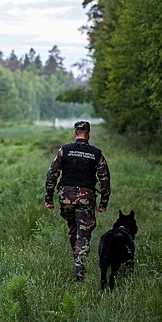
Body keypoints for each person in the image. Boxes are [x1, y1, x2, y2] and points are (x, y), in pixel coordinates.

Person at [44, 120, 111, 283]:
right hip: (86, 199)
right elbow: (105, 179)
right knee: (83, 235)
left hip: (66, 198)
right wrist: (103, 202)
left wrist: (48, 197)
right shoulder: (96, 154)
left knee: (73, 229)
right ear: (89, 133)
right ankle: (80, 275)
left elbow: (52, 174)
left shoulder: (64, 150)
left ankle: (77, 260)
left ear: (75, 134)